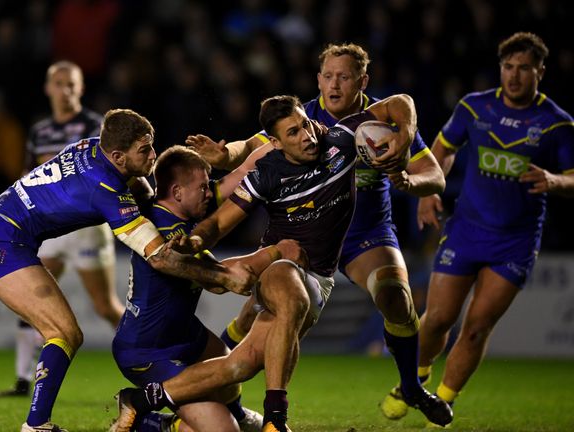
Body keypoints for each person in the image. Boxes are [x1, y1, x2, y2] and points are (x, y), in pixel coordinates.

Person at [0, 109, 255, 432]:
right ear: (118, 154)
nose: (153, 154)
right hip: (3, 240)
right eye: (146, 149)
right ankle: (36, 426)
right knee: (65, 333)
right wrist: (221, 277)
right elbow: (158, 257)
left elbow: (137, 189)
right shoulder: (106, 187)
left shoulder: (93, 148)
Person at [110, 93, 428, 432]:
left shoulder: (340, 139)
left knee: (240, 366)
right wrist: (221, 245)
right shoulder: (265, 175)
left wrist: (404, 135)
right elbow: (218, 226)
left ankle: (144, 404)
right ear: (275, 142)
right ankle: (276, 418)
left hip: (319, 276)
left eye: (304, 125)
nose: (306, 136)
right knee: (289, 291)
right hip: (278, 271)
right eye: (293, 133)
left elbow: (402, 102)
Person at [187, 43, 450, 425]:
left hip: (365, 236)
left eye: (344, 77)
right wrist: (224, 155)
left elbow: (436, 176)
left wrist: (408, 176)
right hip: (304, 238)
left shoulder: (376, 125)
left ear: (363, 81)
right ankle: (207, 386)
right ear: (318, 80)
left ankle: (410, 385)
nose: (334, 84)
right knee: (251, 323)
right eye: (327, 76)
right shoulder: (302, 120)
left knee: (396, 297)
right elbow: (253, 146)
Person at [380, 32, 574, 425]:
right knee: (437, 320)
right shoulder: (475, 107)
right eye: (508, 67)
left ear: (540, 71)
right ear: (500, 69)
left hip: (516, 242)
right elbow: (444, 148)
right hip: (467, 230)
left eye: (524, 68)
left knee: (476, 327)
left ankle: (445, 400)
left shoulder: (556, 123)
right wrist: (428, 191)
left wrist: (555, 181)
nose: (515, 76)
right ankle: (415, 383)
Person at [113, 145, 299, 432]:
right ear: (177, 192)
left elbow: (242, 172)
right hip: (148, 351)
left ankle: (235, 413)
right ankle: (149, 421)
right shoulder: (171, 234)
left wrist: (271, 141)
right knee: (222, 429)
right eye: (203, 188)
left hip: (184, 333)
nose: (209, 193)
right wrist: (276, 252)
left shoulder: (177, 215)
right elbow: (221, 280)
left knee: (229, 368)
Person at [0, 61, 126, 398]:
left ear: (80, 88)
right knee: (31, 297)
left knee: (105, 306)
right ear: (48, 88)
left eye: (71, 84)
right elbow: (27, 177)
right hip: (50, 228)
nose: (65, 90)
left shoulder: (97, 126)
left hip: (87, 227)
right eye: (59, 84)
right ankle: (23, 379)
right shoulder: (39, 132)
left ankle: (150, 351)